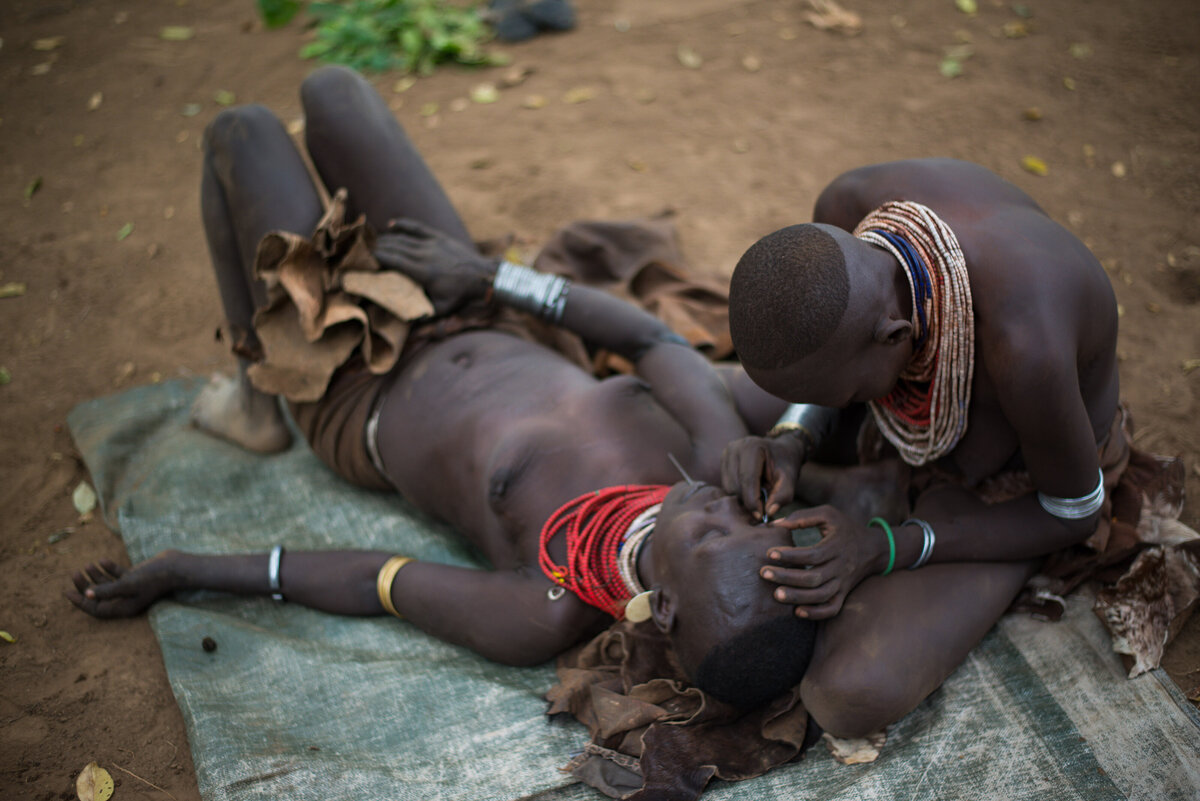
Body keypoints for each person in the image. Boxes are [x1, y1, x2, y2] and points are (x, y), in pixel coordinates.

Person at [66, 66, 817, 711]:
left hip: (354, 387)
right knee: (333, 92)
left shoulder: (542, 608)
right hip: (472, 302)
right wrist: (491, 278)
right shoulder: (721, 461)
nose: (724, 507)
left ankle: (255, 393)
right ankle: (262, 371)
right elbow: (650, 339)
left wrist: (183, 569)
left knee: (241, 132)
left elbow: (372, 578)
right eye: (753, 527)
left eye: (715, 535)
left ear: (669, 610)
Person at [720, 158, 1134, 738]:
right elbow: (831, 379)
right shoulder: (845, 207)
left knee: (848, 693)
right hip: (912, 409)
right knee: (736, 408)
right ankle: (863, 478)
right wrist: (793, 436)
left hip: (1012, 482)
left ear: (895, 337)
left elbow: (1074, 512)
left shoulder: (1023, 348)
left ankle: (882, 496)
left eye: (849, 394)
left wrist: (886, 547)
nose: (848, 403)